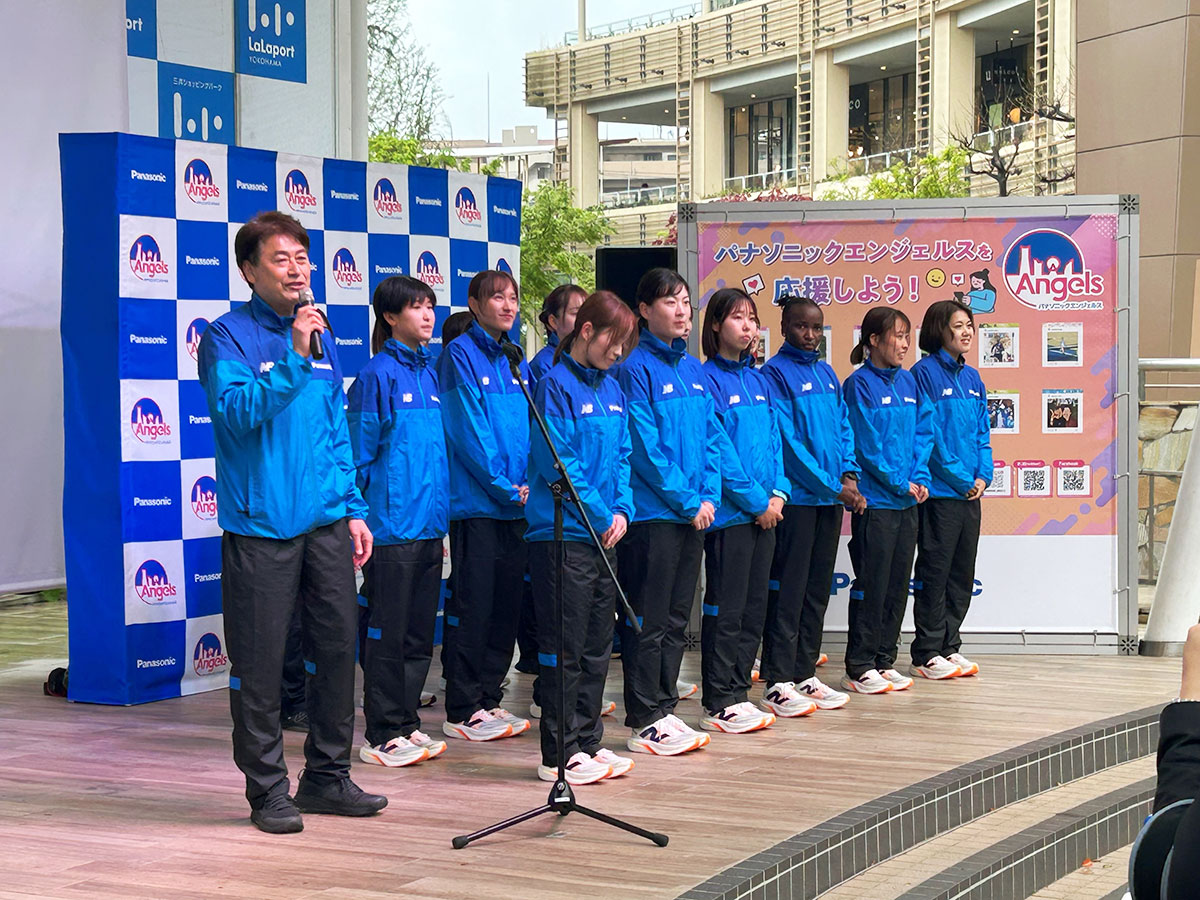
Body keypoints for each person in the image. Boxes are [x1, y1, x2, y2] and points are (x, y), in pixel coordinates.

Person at [197, 211, 386, 834]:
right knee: (260, 665)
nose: (297, 270)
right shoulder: (226, 338)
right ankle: (267, 791)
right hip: (262, 529)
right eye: (281, 259)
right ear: (249, 271)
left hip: (326, 524)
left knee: (335, 654)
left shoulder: (321, 335)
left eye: (303, 258)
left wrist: (353, 509)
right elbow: (236, 412)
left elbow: (335, 433)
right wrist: (296, 357)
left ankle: (328, 777)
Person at [526, 291, 640, 785]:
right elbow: (559, 462)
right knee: (565, 649)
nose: (619, 352)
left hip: (605, 536)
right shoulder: (553, 386)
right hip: (564, 536)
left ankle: (588, 741)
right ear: (587, 330)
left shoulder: (612, 387)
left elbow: (623, 456)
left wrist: (622, 510)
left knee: (596, 646)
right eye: (614, 341)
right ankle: (560, 751)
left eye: (625, 344)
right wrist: (598, 512)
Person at [614, 268, 721, 756]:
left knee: (678, 619)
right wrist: (687, 500)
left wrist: (709, 496)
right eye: (669, 302)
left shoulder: (694, 370)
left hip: (694, 513)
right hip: (653, 515)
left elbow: (712, 439)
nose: (681, 311)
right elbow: (644, 446)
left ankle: (665, 706)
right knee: (649, 620)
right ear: (643, 310)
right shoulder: (633, 368)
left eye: (685, 302)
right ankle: (644, 717)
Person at [346, 276, 450, 768]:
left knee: (416, 635)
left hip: (429, 525)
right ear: (390, 317)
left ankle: (406, 723)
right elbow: (358, 457)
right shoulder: (376, 376)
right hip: (390, 529)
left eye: (430, 306)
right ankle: (382, 732)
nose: (428, 315)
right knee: (387, 635)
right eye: (416, 307)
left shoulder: (429, 374)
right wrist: (360, 517)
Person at [437, 269, 532, 742]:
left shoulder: (515, 357)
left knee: (505, 608)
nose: (508, 306)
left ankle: (489, 699)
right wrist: (504, 486)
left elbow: (531, 422)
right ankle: (463, 706)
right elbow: (468, 431)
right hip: (478, 504)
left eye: (513, 297)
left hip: (518, 504)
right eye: (497, 297)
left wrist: (528, 483)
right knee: (474, 607)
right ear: (474, 304)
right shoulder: (459, 354)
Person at [760, 297, 864, 714]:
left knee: (816, 590)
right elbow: (788, 444)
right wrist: (831, 485)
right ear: (784, 327)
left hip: (829, 500)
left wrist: (849, 474)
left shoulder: (826, 373)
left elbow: (843, 427)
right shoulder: (774, 374)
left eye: (816, 327)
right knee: (789, 590)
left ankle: (805, 672)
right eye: (801, 326)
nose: (810, 334)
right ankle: (778, 679)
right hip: (799, 501)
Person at [697, 288, 787, 734]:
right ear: (715, 325)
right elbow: (719, 452)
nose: (748, 326)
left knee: (754, 608)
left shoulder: (759, 380)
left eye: (752, 318)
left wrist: (778, 494)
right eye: (737, 317)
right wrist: (756, 502)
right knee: (726, 609)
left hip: (767, 513)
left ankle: (739, 692)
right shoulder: (706, 379)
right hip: (733, 517)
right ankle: (719, 699)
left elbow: (774, 441)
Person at [840, 307, 933, 696]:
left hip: (907, 504)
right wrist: (899, 482)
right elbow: (865, 444)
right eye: (897, 335)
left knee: (897, 585)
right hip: (876, 503)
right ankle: (859, 664)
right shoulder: (858, 385)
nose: (905, 343)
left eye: (908, 336)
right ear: (873, 340)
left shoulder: (909, 381)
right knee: (872, 585)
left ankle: (884, 659)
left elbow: (924, 431)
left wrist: (919, 477)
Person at [910, 300, 992, 681]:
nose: (966, 332)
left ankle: (949, 645)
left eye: (969, 325)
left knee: (961, 573)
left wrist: (983, 476)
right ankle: (927, 651)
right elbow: (931, 439)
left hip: (970, 494)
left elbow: (982, 433)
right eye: (958, 325)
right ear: (938, 330)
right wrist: (961, 479)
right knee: (935, 572)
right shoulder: (923, 374)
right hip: (941, 494)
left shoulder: (973, 379)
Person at [529, 283, 586, 388]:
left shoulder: (593, 359)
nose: (584, 319)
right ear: (553, 322)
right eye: (576, 313)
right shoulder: (543, 364)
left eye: (587, 313)